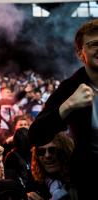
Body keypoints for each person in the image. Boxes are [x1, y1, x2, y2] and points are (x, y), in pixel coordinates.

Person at [28, 19, 98, 199]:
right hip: (90, 181)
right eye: (93, 44)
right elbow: (36, 134)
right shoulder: (70, 88)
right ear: (80, 53)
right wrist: (68, 106)